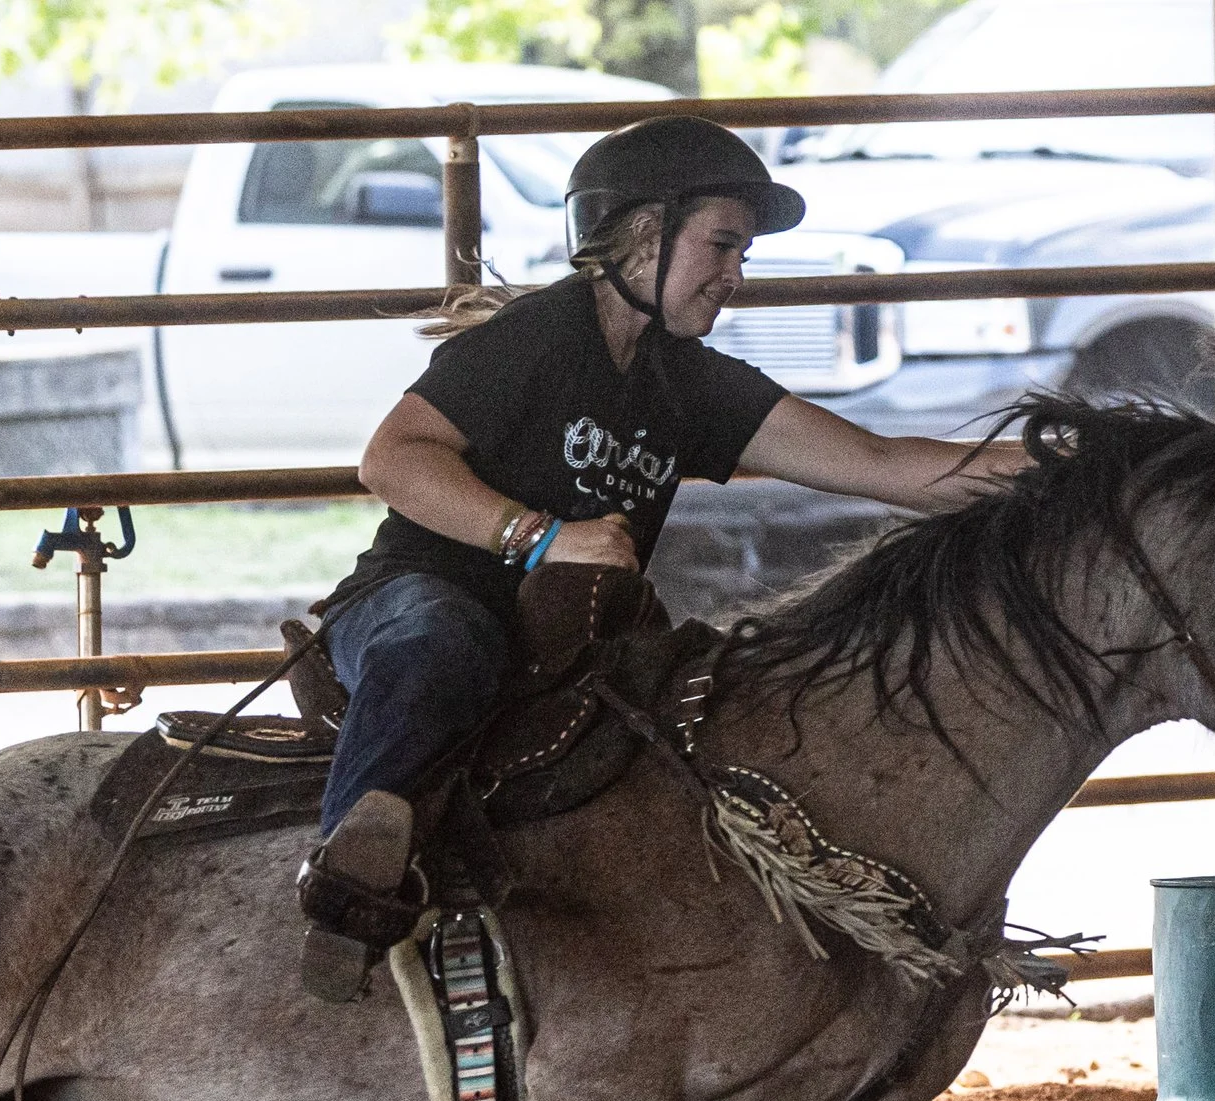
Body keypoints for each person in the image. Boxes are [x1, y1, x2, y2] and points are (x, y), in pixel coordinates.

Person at [296, 114, 1031, 1000]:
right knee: (443, 641)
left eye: (742, 255)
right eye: (722, 245)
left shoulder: (690, 382)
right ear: (643, 233)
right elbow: (393, 457)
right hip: (413, 597)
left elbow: (883, 466)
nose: (735, 277)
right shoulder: (537, 337)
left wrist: (1093, 462)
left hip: (567, 642)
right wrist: (541, 539)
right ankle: (347, 892)